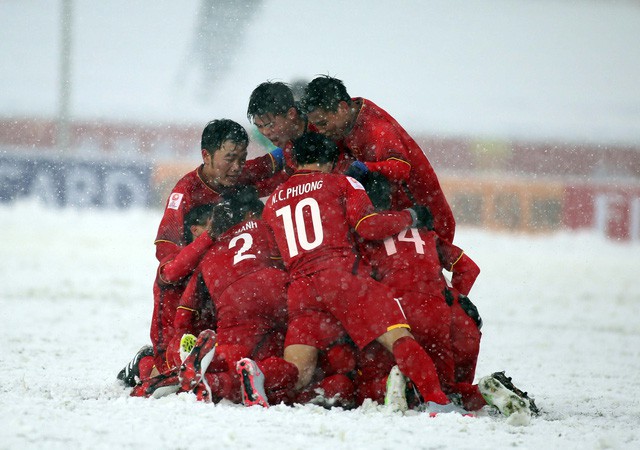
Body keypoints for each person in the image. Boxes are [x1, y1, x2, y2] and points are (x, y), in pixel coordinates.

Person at [261, 131, 465, 415]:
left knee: (298, 372)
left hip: (301, 289)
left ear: (296, 162)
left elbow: (273, 256)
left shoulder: (273, 200)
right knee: (399, 338)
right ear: (331, 162)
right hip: (342, 279)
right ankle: (436, 400)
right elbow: (368, 225)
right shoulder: (342, 182)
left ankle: (259, 377)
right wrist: (411, 216)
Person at [118, 119, 280, 385]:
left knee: (220, 364)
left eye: (242, 158)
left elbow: (277, 163)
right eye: (230, 158)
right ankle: (145, 364)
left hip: (222, 289)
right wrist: (209, 237)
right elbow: (167, 272)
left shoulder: (236, 175)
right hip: (180, 300)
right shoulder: (183, 196)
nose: (238, 166)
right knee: (176, 377)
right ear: (206, 155)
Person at [300, 75, 456, 243]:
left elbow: (401, 168)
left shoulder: (377, 128)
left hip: (424, 220)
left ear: (342, 108)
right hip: (388, 222)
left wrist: (367, 168)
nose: (320, 131)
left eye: (323, 124)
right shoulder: (337, 119)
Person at [247, 81, 355, 189]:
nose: (265, 132)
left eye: (270, 124)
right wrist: (254, 191)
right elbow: (289, 178)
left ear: (291, 114)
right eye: (259, 126)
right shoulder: (289, 141)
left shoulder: (325, 126)